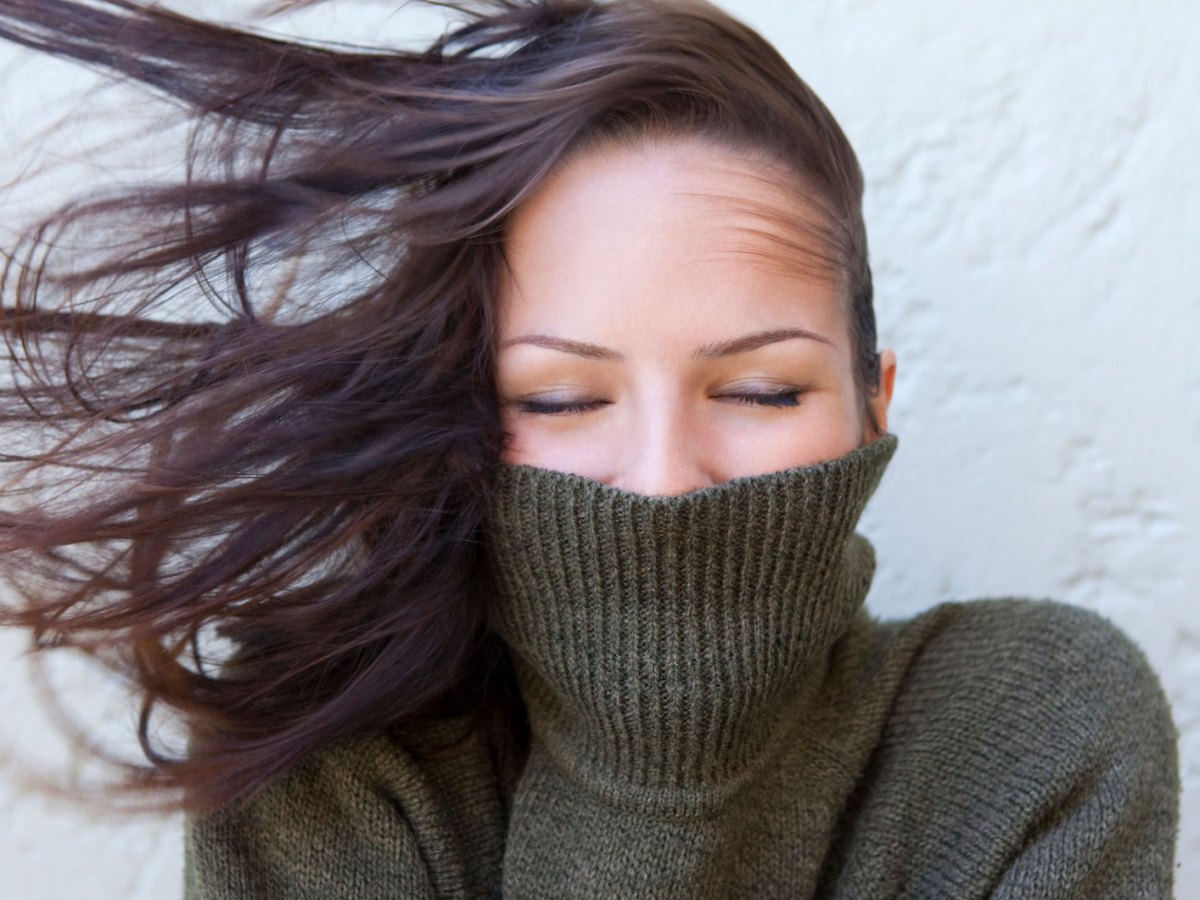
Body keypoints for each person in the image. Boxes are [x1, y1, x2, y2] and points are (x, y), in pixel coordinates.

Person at [0, 0, 1178, 897]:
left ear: (874, 407)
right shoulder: (328, 764)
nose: (665, 480)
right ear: (454, 411)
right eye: (561, 400)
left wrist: (659, 740)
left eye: (762, 390)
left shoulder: (1037, 726)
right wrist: (644, 763)